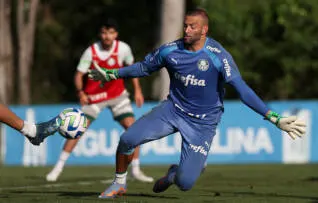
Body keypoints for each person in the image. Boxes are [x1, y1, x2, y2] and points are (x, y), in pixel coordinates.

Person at [89, 8, 306, 198]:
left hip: (203, 124)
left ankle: (174, 174)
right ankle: (119, 183)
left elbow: (242, 89)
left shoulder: (219, 56)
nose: (187, 30)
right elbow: (143, 68)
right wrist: (111, 74)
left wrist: (274, 117)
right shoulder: (170, 50)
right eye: (185, 26)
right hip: (172, 110)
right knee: (127, 138)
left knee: (185, 184)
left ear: (204, 31)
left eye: (192, 27)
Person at [45, 19, 153, 183]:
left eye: (110, 33)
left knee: (133, 129)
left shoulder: (123, 49)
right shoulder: (91, 51)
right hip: (94, 97)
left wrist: (137, 90)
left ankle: (136, 170)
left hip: (117, 95)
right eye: (104, 33)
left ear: (115, 34)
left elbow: (132, 71)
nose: (107, 36)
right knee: (77, 130)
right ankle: (58, 168)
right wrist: (80, 93)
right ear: (100, 34)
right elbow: (79, 74)